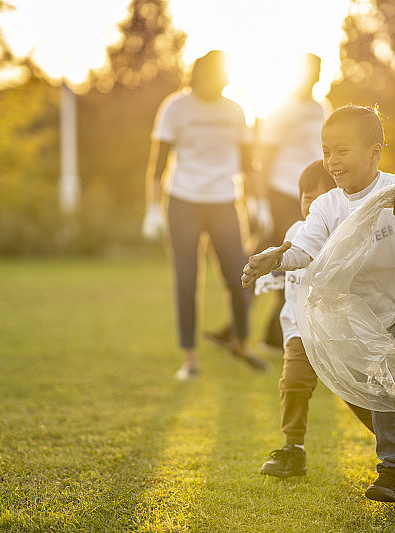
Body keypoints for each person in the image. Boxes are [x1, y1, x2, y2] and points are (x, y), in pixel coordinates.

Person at [242, 105, 395, 503]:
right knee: (365, 389)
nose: (332, 162)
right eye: (326, 151)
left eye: (342, 151)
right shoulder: (326, 206)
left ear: (375, 151)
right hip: (358, 316)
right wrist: (277, 258)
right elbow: (306, 247)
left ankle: (394, 473)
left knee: (388, 381)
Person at [141, 50, 267, 381]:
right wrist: (152, 210)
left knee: (239, 277)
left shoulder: (236, 110)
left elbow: (248, 162)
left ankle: (241, 343)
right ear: (199, 75)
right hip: (183, 201)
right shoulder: (175, 107)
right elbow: (157, 163)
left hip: (225, 201)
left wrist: (257, 204)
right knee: (186, 280)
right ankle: (190, 358)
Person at [259, 160, 375, 478]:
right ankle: (292, 449)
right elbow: (291, 263)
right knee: (293, 383)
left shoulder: (348, 233)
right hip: (300, 329)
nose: (312, 204)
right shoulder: (295, 232)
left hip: (341, 331)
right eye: (306, 197)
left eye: (321, 197)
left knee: (361, 393)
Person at [207, 53, 330, 351]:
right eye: (308, 71)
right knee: (277, 259)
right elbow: (265, 159)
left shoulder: (322, 108)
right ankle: (255, 332)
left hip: (314, 196)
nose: (312, 77)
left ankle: (257, 332)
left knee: (290, 261)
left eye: (317, 72)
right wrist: (261, 204)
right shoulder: (282, 110)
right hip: (283, 194)